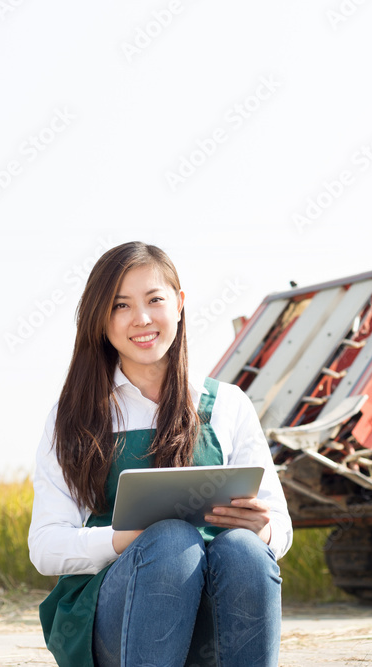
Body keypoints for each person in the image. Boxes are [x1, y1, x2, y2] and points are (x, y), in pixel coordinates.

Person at [28, 242, 293, 667]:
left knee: (244, 549)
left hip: (215, 611)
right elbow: (44, 545)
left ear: (180, 305)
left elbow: (281, 527)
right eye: (120, 305)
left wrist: (261, 530)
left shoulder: (228, 404)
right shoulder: (75, 416)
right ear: (100, 318)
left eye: (155, 300)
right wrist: (123, 542)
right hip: (117, 613)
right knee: (171, 541)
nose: (142, 319)